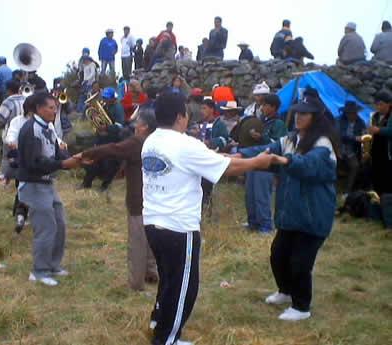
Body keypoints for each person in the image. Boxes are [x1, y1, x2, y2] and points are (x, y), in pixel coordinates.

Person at [142, 92, 274, 345]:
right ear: (181, 116)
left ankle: (158, 322)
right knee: (184, 288)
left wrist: (237, 157)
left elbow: (210, 161)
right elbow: (226, 170)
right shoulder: (184, 144)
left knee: (169, 279)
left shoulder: (152, 141)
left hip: (153, 222)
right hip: (180, 227)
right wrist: (258, 162)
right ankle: (167, 339)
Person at [238, 96, 339, 321]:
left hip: (313, 214)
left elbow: (310, 165)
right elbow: (265, 149)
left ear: (315, 117)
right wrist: (238, 155)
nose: (298, 116)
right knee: (278, 256)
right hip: (291, 212)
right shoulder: (290, 140)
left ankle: (302, 307)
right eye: (297, 112)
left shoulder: (322, 143)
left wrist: (286, 161)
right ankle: (285, 292)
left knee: (300, 263)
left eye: (304, 113)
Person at [78, 108, 158, 291]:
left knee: (137, 244)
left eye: (138, 122)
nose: (134, 124)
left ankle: (137, 285)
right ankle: (152, 273)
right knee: (152, 240)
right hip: (157, 200)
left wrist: (86, 154)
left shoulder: (137, 142)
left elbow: (113, 149)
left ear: (144, 126)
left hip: (138, 201)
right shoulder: (157, 142)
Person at [17, 93, 82, 286]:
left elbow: (56, 151)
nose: (55, 111)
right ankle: (39, 271)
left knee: (59, 224)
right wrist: (63, 164)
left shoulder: (49, 127)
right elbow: (33, 163)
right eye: (51, 108)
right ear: (39, 109)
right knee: (46, 228)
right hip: (34, 184)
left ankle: (53, 265)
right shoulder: (31, 130)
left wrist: (74, 158)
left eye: (55, 108)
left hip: (47, 184)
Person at [243, 94, 287, 233]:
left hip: (266, 165)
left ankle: (266, 225)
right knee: (250, 193)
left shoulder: (279, 124)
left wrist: (262, 137)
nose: (263, 108)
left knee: (262, 195)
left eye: (266, 105)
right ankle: (253, 222)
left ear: (273, 107)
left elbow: (278, 144)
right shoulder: (260, 121)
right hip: (253, 161)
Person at [5, 94, 37, 233]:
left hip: (38, 160)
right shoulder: (18, 121)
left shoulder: (43, 122)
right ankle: (19, 214)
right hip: (22, 159)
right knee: (23, 186)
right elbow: (11, 134)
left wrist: (60, 144)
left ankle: (27, 214)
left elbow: (53, 136)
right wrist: (11, 141)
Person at [82, 87, 125, 191]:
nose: (105, 100)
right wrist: (94, 116)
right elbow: (96, 119)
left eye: (107, 98)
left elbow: (120, 126)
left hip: (112, 140)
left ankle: (105, 185)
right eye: (104, 97)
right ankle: (86, 184)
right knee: (93, 160)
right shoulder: (104, 106)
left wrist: (106, 128)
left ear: (113, 98)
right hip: (101, 139)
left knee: (109, 164)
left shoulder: (118, 108)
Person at [198, 98, 229, 213]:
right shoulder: (198, 124)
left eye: (204, 108)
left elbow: (225, 140)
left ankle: (207, 211)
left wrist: (210, 142)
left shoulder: (219, 124)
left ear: (211, 109)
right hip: (198, 159)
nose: (202, 111)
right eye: (201, 108)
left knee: (207, 186)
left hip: (210, 158)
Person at [0, 80, 26, 185]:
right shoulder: (26, 99)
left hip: (10, 134)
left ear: (8, 90)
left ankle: (5, 179)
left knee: (7, 157)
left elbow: (0, 120)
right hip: (25, 133)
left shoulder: (7, 102)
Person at [337, 101, 366, 193]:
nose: (352, 115)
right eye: (350, 113)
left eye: (354, 113)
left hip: (351, 149)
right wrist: (355, 138)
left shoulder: (361, 122)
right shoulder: (339, 120)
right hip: (338, 147)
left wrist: (364, 135)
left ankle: (348, 190)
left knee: (355, 166)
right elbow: (339, 134)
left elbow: (363, 136)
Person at [368, 91, 392, 196]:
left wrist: (379, 130)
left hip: (388, 152)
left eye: (381, 104)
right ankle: (377, 196)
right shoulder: (375, 116)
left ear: (389, 104)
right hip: (376, 150)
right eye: (377, 104)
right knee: (376, 175)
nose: (378, 107)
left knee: (387, 178)